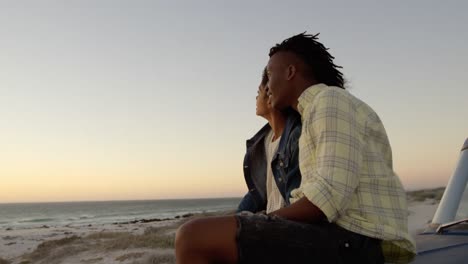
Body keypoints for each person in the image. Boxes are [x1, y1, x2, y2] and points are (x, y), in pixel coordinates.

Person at [175, 33, 416, 264]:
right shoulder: (312, 112)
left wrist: (261, 221)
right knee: (212, 239)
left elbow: (326, 197)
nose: (267, 86)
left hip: (355, 240)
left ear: (290, 72)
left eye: (269, 75)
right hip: (340, 236)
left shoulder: (330, 99)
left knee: (192, 237)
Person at [237, 67, 302, 214]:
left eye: (258, 93)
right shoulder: (261, 142)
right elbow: (259, 190)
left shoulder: (297, 135)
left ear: (269, 93)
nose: (255, 98)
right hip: (271, 220)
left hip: (286, 223)